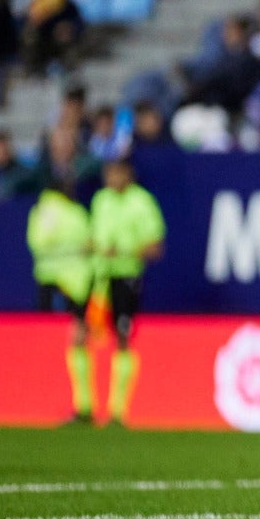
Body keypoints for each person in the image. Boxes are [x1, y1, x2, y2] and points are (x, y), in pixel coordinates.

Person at [89, 158, 164, 426]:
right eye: (108, 173)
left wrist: (123, 252)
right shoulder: (101, 200)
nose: (111, 179)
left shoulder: (141, 202)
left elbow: (155, 247)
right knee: (83, 333)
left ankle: (118, 409)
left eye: (116, 173)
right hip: (98, 277)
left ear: (128, 175)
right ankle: (84, 405)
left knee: (123, 336)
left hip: (126, 276)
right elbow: (93, 237)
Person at [27, 177, 95, 424]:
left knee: (62, 339)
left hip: (48, 280)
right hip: (79, 280)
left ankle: (70, 404)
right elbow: (89, 243)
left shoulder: (43, 211)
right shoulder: (76, 211)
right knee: (77, 337)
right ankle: (82, 402)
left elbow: (37, 242)